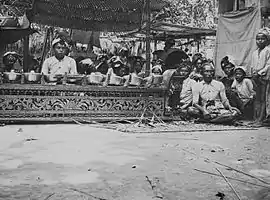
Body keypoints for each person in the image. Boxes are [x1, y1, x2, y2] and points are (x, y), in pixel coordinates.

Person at [249, 28, 270, 124]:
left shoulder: (268, 50)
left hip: (264, 78)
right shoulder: (254, 53)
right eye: (258, 39)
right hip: (256, 78)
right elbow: (253, 65)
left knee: (263, 98)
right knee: (257, 98)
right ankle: (256, 118)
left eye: (262, 39)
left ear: (267, 40)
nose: (260, 41)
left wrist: (260, 73)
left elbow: (268, 65)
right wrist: (253, 74)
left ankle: (261, 119)